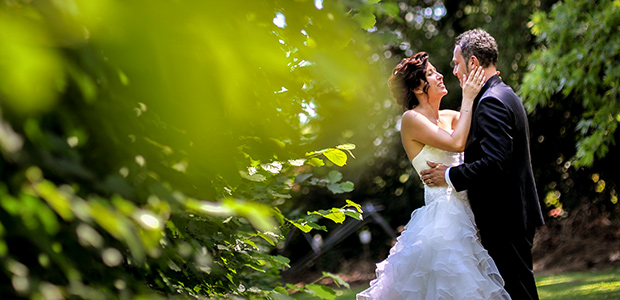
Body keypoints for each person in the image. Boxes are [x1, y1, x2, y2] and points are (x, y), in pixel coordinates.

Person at [356, 51, 512, 299]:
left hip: (472, 212)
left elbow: (487, 136)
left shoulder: (451, 116)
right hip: (444, 221)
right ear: (418, 87)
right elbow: (458, 142)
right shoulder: (411, 119)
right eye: (431, 73)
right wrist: (468, 96)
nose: (440, 75)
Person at [420, 29, 545, 300]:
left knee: (517, 291)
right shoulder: (503, 93)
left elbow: (495, 163)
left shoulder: (490, 102)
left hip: (504, 217)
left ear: (473, 63)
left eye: (457, 63)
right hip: (511, 214)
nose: (454, 71)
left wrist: (450, 174)